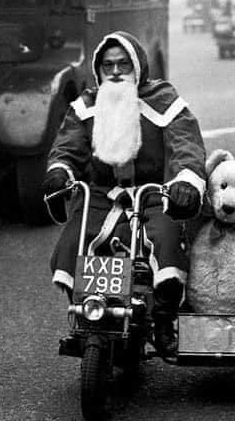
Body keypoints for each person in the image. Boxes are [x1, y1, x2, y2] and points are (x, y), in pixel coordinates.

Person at [43, 31, 206, 358]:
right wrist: (60, 169)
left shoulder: (163, 100)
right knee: (73, 239)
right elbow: (67, 145)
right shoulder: (86, 105)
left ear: (137, 66)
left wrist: (185, 181)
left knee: (168, 239)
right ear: (98, 69)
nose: (115, 72)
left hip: (154, 194)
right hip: (101, 195)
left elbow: (185, 146)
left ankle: (162, 320)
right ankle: (85, 313)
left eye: (123, 64)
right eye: (108, 65)